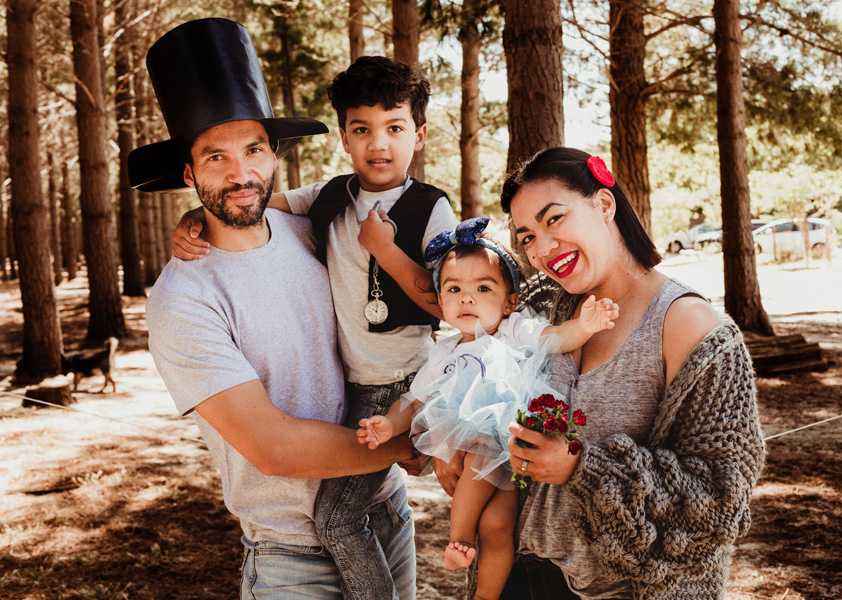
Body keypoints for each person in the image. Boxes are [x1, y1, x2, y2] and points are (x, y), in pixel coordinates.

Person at [131, 19, 417, 599]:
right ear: (188, 173)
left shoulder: (313, 229)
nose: (241, 175)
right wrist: (418, 446)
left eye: (254, 149)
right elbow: (275, 449)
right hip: (293, 555)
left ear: (274, 153)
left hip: (386, 517)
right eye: (215, 158)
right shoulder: (182, 300)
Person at [436, 148, 766, 600]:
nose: (543, 250)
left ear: (604, 205)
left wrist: (579, 466)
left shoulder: (691, 327)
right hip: (510, 577)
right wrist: (450, 442)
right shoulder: (537, 303)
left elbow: (720, 498)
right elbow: (466, 352)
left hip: (623, 590)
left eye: (554, 219)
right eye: (527, 236)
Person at [356, 217, 620, 600]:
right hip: (478, 442)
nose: (467, 298)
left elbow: (558, 339)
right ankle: (472, 564)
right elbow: (414, 401)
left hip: (512, 443)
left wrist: (586, 324)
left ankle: (469, 561)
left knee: (497, 519)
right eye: (454, 289)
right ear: (441, 301)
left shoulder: (515, 330)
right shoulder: (442, 352)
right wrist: (389, 424)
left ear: (510, 300)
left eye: (483, 288)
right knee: (490, 503)